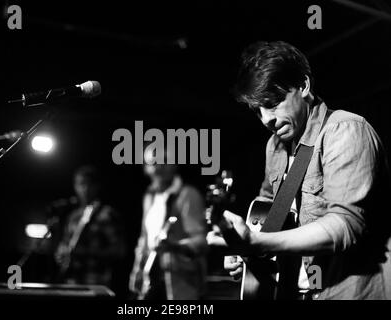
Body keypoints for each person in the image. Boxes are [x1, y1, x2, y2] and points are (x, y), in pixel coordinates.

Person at [208, 41, 391, 300]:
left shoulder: (345, 130)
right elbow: (267, 214)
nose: (265, 119)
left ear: (304, 86)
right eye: (257, 110)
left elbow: (344, 226)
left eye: (272, 103)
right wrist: (245, 251)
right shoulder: (275, 146)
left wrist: (258, 243)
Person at [129, 147, 208, 300]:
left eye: (164, 161)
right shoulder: (149, 197)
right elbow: (144, 239)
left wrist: (174, 246)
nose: (158, 167)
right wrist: (137, 270)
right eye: (153, 162)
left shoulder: (187, 194)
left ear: (175, 164)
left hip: (181, 283)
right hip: (151, 280)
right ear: (146, 167)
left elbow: (202, 243)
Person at [53, 165, 126, 292]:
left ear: (97, 186)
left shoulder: (107, 214)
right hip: (71, 282)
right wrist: (60, 254)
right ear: (75, 186)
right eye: (81, 184)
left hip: (96, 283)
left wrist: (85, 252)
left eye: (89, 184)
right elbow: (64, 244)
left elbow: (119, 250)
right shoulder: (73, 217)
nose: (85, 189)